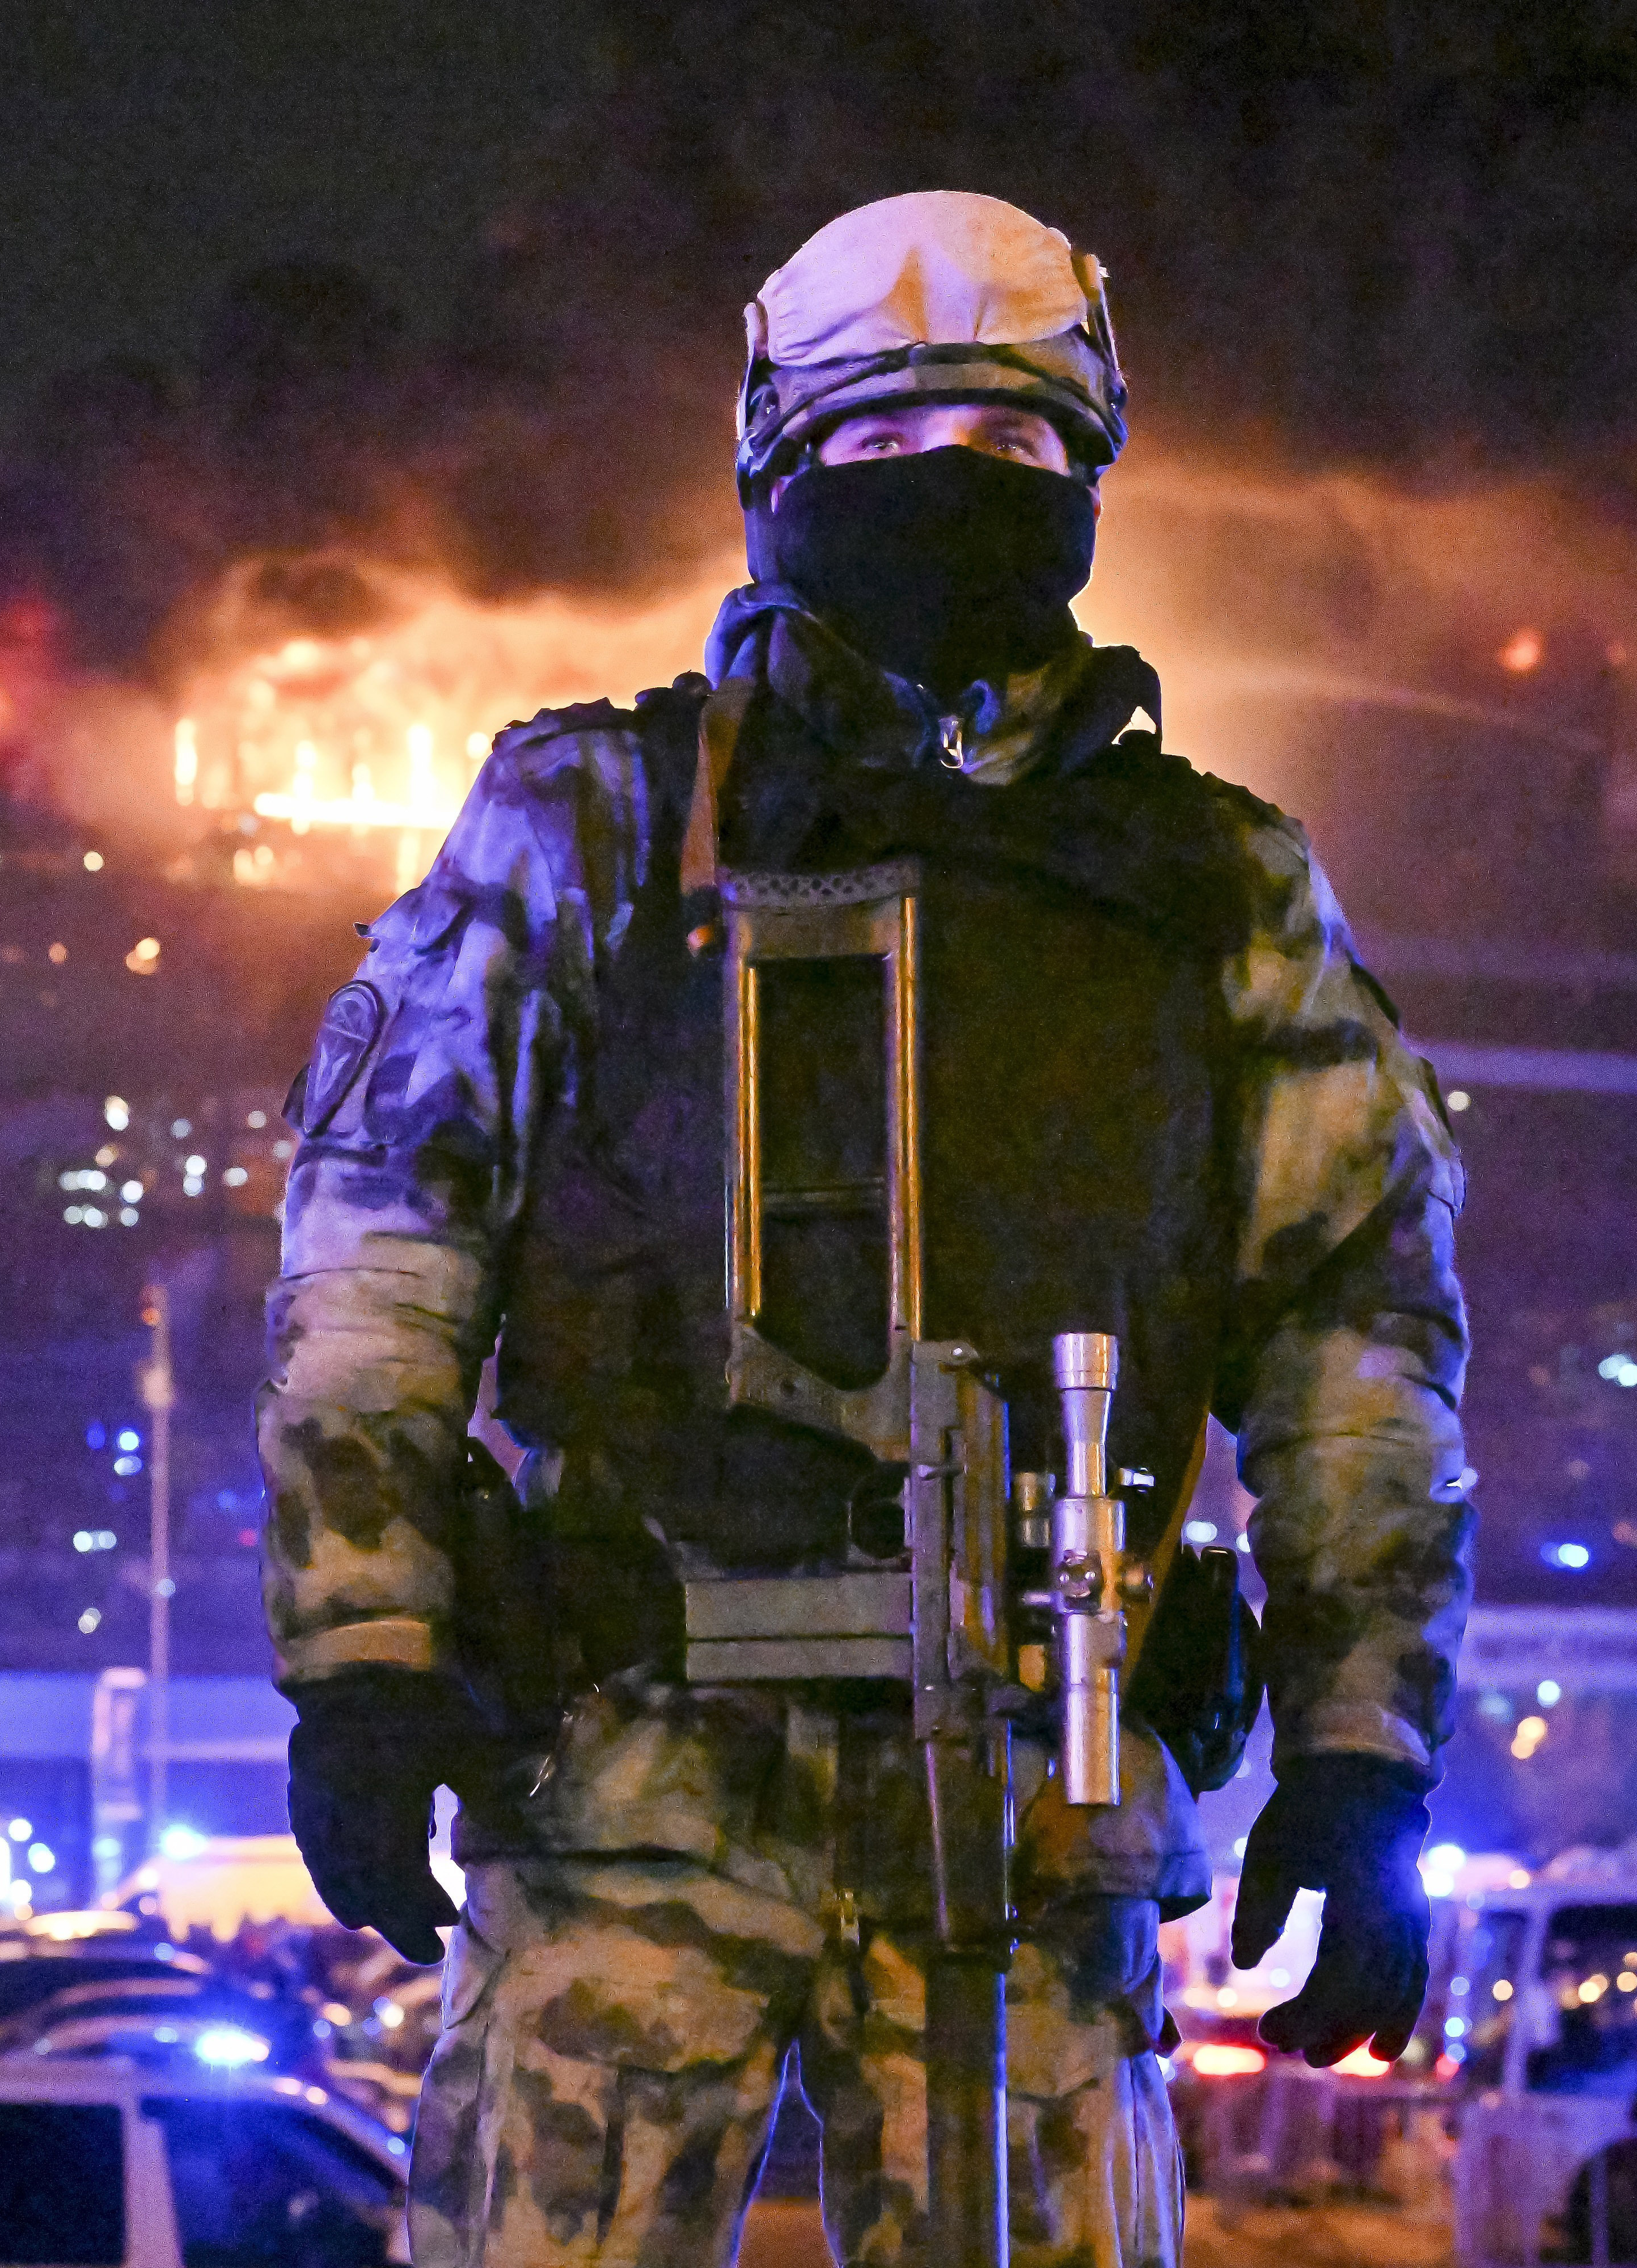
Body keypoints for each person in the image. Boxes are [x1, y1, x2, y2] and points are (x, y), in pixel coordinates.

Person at [259, 191, 1473, 2268]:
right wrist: (365, 1656)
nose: (952, 497)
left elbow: (1360, 1337)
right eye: (888, 448)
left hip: (1039, 1795)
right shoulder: (593, 824)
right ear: (775, 473)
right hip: (629, 1767)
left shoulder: (1221, 892)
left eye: (1012, 451)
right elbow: (382, 1250)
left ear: (1091, 481)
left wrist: (1363, 1759)